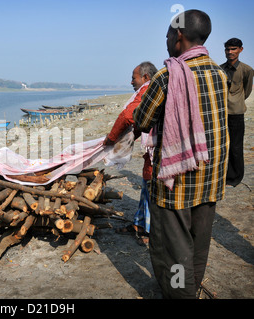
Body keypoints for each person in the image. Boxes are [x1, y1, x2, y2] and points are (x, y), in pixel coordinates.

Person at [133, 10, 229, 298]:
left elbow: (142, 119)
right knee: (199, 242)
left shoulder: (166, 76)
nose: (165, 40)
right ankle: (192, 287)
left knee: (175, 249)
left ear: (178, 36)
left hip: (176, 179)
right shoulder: (219, 73)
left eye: (167, 35)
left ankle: (180, 294)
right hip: (210, 175)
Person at [103, 62, 158, 246]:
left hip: (160, 147)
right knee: (146, 183)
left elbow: (128, 116)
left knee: (151, 184)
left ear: (145, 78)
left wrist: (111, 139)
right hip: (154, 147)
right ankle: (139, 223)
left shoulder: (148, 91)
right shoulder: (152, 88)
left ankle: (149, 231)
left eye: (133, 77)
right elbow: (139, 121)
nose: (131, 81)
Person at [220, 38, 254, 187]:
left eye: (233, 49)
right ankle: (223, 175)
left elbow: (247, 90)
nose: (230, 52)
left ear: (241, 49)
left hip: (237, 114)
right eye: (228, 49)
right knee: (222, 145)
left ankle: (235, 178)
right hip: (221, 113)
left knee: (235, 146)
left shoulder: (247, 70)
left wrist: (237, 101)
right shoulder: (220, 69)